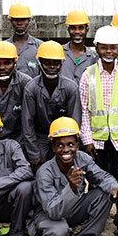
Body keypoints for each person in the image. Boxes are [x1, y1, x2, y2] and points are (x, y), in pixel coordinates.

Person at [29, 117, 118, 236]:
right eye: (60, 145)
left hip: (73, 209)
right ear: (53, 148)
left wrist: (114, 187)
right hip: (49, 215)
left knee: (105, 194)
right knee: (58, 231)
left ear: (77, 145)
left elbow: (101, 177)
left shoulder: (83, 158)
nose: (66, 149)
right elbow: (53, 212)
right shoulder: (44, 172)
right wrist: (71, 188)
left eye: (70, 144)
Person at [78, 26, 118, 178]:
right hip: (96, 143)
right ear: (97, 48)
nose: (108, 51)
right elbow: (84, 112)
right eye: (104, 47)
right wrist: (87, 141)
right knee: (98, 182)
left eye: (113, 47)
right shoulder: (87, 75)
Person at [21, 41, 81, 170]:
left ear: (61, 64)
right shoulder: (31, 89)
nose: (52, 67)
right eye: (47, 63)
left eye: (56, 63)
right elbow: (28, 123)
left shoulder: (71, 88)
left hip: (64, 136)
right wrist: (34, 153)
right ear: (40, 63)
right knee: (39, 171)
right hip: (40, 137)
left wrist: (68, 148)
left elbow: (75, 122)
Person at [7, 3, 43, 79]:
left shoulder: (40, 47)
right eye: (16, 20)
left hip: (33, 90)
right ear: (10, 21)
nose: (19, 23)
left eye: (23, 19)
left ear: (29, 21)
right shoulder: (3, 47)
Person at [62, 10, 97, 84]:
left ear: (87, 29)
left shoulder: (93, 58)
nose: (77, 31)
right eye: (73, 28)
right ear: (68, 30)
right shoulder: (59, 53)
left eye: (81, 28)